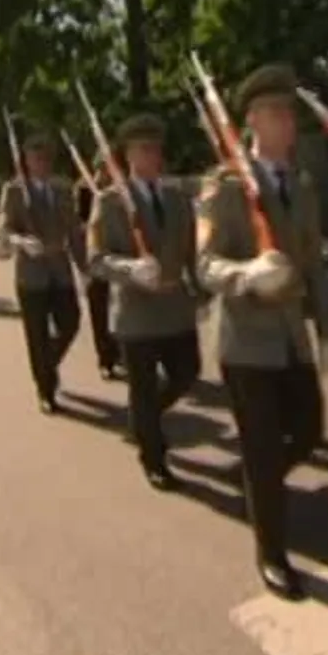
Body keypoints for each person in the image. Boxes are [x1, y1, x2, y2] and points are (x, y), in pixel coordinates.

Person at [195, 63, 328, 601]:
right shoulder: (224, 187)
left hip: (291, 341)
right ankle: (272, 552)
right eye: (275, 112)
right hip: (247, 343)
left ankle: (260, 488)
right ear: (252, 120)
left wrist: (326, 330)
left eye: (289, 113)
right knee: (260, 447)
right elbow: (205, 266)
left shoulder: (301, 186)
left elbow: (315, 266)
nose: (287, 123)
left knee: (309, 431)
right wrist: (247, 276)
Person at [87, 114, 203, 490]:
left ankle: (144, 418)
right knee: (142, 387)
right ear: (128, 156)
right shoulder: (110, 201)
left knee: (187, 372)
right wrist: (131, 268)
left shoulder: (177, 198)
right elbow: (95, 259)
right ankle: (154, 459)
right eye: (143, 149)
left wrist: (201, 292)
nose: (152, 156)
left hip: (175, 310)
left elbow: (191, 252)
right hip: (136, 315)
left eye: (155, 149)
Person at [0, 132, 88, 413]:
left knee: (71, 322)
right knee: (36, 334)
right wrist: (21, 241)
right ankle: (45, 390)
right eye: (36, 158)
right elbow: (4, 228)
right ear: (26, 161)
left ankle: (47, 362)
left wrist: (85, 267)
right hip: (31, 275)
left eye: (46, 158)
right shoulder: (14, 190)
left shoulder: (63, 188)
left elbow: (74, 230)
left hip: (60, 270)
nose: (42, 163)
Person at [78, 160, 124, 379]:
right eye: (100, 168)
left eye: (107, 168)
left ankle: (120, 347)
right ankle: (105, 358)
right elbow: (78, 222)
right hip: (95, 258)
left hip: (120, 255)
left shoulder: (122, 193)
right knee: (99, 309)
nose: (102, 174)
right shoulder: (84, 189)